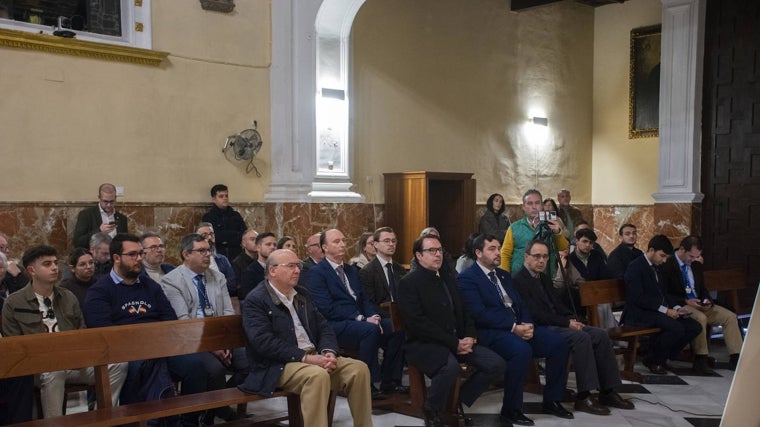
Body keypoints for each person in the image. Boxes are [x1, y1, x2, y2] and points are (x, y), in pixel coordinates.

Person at [83, 234, 209, 426]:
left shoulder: (150, 286)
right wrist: (143, 343)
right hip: (124, 353)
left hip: (159, 346)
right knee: (142, 365)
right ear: (116, 258)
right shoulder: (100, 291)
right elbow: (104, 332)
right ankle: (146, 421)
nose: (139, 259)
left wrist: (155, 342)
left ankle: (188, 420)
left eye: (141, 253)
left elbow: (170, 319)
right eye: (133, 254)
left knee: (196, 364)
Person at [239, 249, 372, 427]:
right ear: (272, 271)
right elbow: (264, 343)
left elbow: (324, 327)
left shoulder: (301, 294)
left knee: (359, 369)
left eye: (298, 265)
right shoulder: (256, 300)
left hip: (313, 355)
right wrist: (306, 358)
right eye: (291, 266)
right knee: (316, 375)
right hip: (277, 365)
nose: (297, 270)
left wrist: (329, 352)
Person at [458, 234, 572, 425]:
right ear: (478, 253)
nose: (498, 253)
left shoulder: (503, 274)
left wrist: (527, 324)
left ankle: (552, 400)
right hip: (490, 332)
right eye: (492, 249)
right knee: (521, 350)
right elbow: (479, 314)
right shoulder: (468, 278)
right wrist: (513, 327)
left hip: (516, 327)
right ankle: (511, 410)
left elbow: (520, 304)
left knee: (558, 343)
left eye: (499, 248)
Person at [2, 245, 126, 419]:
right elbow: (13, 346)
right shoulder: (14, 303)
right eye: (47, 264)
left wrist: (77, 357)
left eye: (55, 262)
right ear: (32, 270)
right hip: (36, 369)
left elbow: (82, 332)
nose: (54, 267)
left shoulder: (68, 297)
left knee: (118, 365)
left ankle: (101, 417)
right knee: (54, 371)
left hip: (72, 363)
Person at [513, 239, 634, 415]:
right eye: (537, 256)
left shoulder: (544, 278)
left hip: (558, 323)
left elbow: (558, 304)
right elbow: (535, 314)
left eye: (545, 257)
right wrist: (567, 323)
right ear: (526, 257)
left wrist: (572, 318)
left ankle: (608, 391)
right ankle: (584, 396)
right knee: (581, 337)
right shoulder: (519, 280)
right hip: (540, 328)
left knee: (600, 334)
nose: (541, 260)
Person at [398, 234, 506, 427]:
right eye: (431, 251)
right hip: (424, 343)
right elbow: (418, 323)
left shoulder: (448, 277)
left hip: (458, 340)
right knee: (450, 367)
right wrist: (453, 343)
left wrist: (470, 337)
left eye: (439, 250)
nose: (437, 255)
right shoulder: (409, 283)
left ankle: (456, 401)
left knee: (496, 364)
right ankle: (432, 409)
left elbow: (465, 311)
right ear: (418, 256)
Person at [160, 234, 249, 423]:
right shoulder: (172, 281)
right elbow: (184, 322)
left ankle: (219, 405)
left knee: (252, 361)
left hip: (221, 337)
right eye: (201, 251)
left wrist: (226, 343)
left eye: (209, 250)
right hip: (192, 341)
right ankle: (209, 412)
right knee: (213, 369)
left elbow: (227, 312)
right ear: (186, 254)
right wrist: (212, 347)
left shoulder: (217, 277)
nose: (208, 254)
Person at [307, 228, 403, 400]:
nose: (343, 244)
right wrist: (361, 318)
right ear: (324, 247)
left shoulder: (351, 270)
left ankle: (391, 380)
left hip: (359, 320)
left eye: (344, 240)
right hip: (334, 325)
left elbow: (365, 299)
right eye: (336, 241)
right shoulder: (317, 273)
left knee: (395, 327)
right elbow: (326, 307)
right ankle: (367, 384)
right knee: (369, 330)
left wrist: (375, 316)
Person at [660, 235, 743, 372]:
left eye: (697, 257)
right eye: (691, 256)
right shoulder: (668, 265)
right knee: (700, 318)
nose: (693, 260)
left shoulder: (695, 265)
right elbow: (666, 292)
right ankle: (700, 358)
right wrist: (686, 301)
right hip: (681, 304)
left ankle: (736, 357)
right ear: (682, 249)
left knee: (730, 317)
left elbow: (702, 288)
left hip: (699, 303)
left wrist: (707, 300)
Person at [622, 235, 702, 375]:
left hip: (655, 311)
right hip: (639, 313)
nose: (664, 260)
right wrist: (666, 311)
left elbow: (665, 293)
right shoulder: (635, 267)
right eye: (662, 256)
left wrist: (677, 308)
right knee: (675, 327)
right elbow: (638, 298)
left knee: (693, 326)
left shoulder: (658, 267)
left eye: (666, 257)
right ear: (651, 250)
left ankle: (663, 357)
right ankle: (654, 360)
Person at [357, 227, 407, 394]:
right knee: (397, 329)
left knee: (405, 328)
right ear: (376, 244)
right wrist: (391, 316)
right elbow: (369, 302)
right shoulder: (368, 271)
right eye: (386, 241)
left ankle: (394, 379)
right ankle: (389, 379)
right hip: (381, 316)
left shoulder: (399, 269)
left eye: (393, 241)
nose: (391, 244)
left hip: (400, 315)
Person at [500, 189, 568, 278]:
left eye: (537, 203)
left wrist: (557, 232)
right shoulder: (514, 227)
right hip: (518, 278)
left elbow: (563, 247)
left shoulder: (550, 224)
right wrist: (505, 278)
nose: (534, 207)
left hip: (545, 277)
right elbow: (505, 254)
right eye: (529, 203)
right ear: (523, 207)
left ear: (542, 206)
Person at [553, 228, 614, 326]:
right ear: (577, 241)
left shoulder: (596, 255)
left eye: (591, 242)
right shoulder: (570, 258)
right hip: (578, 298)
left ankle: (608, 334)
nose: (587, 245)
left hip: (597, 294)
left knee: (603, 304)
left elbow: (604, 276)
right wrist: (562, 268)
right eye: (584, 241)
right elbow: (559, 286)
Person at [73, 183, 128, 248]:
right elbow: (78, 242)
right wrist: (99, 231)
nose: (109, 205)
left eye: (112, 201)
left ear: (115, 198)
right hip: (93, 256)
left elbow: (125, 242)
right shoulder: (86, 215)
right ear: (99, 198)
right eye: (105, 201)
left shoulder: (122, 218)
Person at [201, 184, 247, 261]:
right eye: (221, 196)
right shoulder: (208, 217)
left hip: (236, 254)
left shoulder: (235, 215)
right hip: (218, 254)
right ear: (214, 199)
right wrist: (233, 234)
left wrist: (227, 238)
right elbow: (214, 236)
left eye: (226, 196)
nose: (225, 198)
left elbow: (244, 233)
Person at [197, 222, 236, 296]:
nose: (209, 238)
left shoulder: (222, 259)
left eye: (211, 234)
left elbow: (232, 285)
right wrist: (222, 284)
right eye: (204, 235)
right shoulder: (194, 261)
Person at [239, 232, 278, 300]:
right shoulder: (249, 272)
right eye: (268, 244)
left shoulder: (280, 269)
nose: (272, 247)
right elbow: (249, 299)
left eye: (274, 245)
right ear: (258, 247)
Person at [231, 229, 258, 296]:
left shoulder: (263, 259)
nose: (256, 242)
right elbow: (238, 288)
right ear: (244, 243)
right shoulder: (237, 263)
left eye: (258, 240)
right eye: (252, 239)